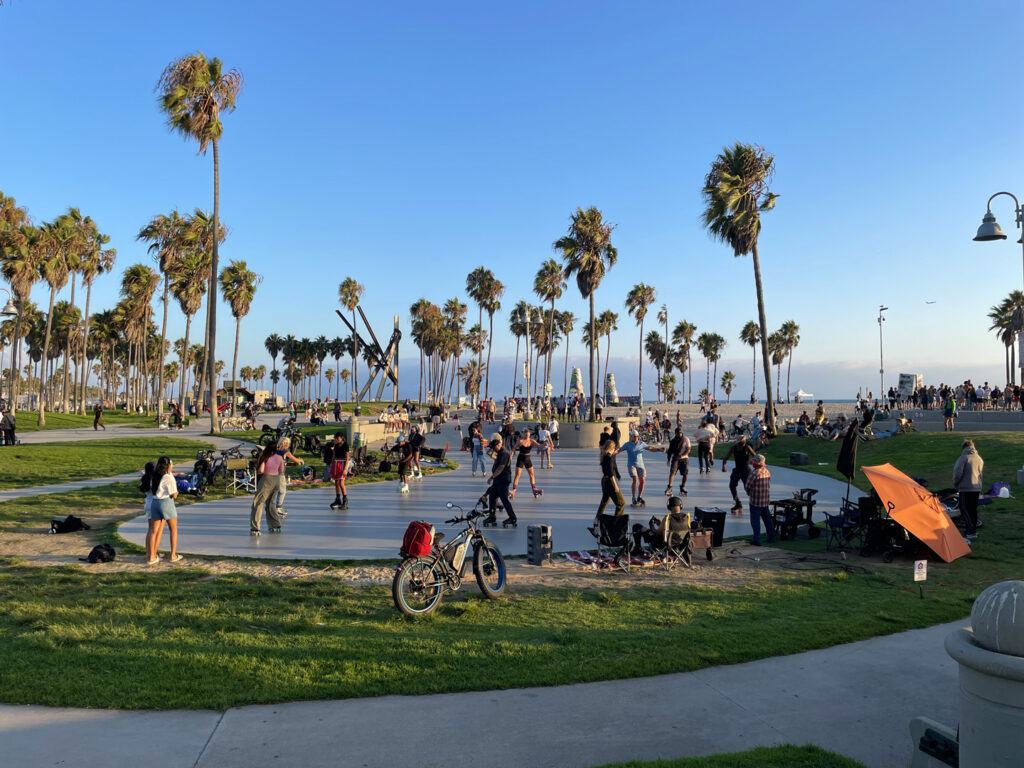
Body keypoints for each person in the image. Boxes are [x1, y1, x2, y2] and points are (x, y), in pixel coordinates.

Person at [146, 455, 183, 562]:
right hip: (166, 503)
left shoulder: (154, 476)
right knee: (173, 529)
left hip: (155, 502)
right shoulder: (169, 477)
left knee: (153, 531)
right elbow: (174, 495)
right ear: (168, 466)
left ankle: (152, 556)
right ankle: (173, 555)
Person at [619, 428, 665, 507]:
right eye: (634, 436)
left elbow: (650, 448)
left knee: (642, 480)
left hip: (640, 465)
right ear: (631, 437)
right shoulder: (627, 444)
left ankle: (639, 497)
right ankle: (633, 497)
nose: (636, 438)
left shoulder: (641, 443)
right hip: (631, 465)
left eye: (637, 436)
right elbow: (619, 450)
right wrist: (613, 453)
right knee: (635, 479)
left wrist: (658, 449)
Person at [250, 442, 284, 535]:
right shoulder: (280, 457)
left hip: (267, 479)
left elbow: (261, 470)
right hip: (277, 480)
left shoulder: (265, 456)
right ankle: (275, 524)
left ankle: (255, 528)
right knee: (271, 503)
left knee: (258, 502)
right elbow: (281, 471)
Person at [953, 439, 984, 539]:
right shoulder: (979, 458)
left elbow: (958, 473)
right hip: (976, 487)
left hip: (965, 488)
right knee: (973, 510)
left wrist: (956, 484)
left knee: (964, 509)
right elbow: (981, 474)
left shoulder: (963, 458)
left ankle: (970, 531)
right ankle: (973, 529)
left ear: (964, 448)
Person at [485, 434, 516, 527]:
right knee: (492, 497)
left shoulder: (505, 453)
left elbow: (501, 467)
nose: (493, 449)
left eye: (494, 447)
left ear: (498, 445)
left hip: (503, 479)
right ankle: (492, 516)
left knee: (504, 499)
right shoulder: (499, 453)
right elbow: (494, 458)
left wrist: (492, 477)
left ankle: (512, 518)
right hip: (498, 479)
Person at [744, 454, 775, 546]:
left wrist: (749, 493)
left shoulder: (754, 473)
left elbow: (747, 486)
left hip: (755, 502)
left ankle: (756, 539)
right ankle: (772, 537)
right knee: (767, 520)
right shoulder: (767, 471)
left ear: (756, 463)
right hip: (765, 501)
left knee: (755, 521)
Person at [721, 435, 757, 514]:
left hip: (746, 470)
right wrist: (723, 465)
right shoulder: (734, 448)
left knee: (747, 489)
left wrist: (751, 461)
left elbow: (755, 456)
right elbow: (726, 457)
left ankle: (757, 505)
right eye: (737, 443)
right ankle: (738, 503)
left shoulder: (747, 447)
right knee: (732, 486)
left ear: (743, 442)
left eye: (739, 443)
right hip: (737, 470)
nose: (738, 445)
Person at [272, 437, 304, 519]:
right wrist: (300, 460)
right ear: (286, 444)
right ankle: (278, 507)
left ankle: (273, 507)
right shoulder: (285, 452)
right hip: (280, 474)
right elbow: (295, 460)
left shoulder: (275, 450)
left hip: (272, 473)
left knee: (275, 490)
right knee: (282, 491)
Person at [595, 438, 625, 518]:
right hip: (610, 481)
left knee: (604, 501)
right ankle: (616, 523)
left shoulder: (604, 456)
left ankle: (597, 520)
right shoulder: (609, 458)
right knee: (621, 503)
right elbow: (611, 472)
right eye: (614, 448)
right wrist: (615, 485)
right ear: (611, 448)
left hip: (604, 480)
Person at [665, 427, 691, 496]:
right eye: (677, 433)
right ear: (675, 433)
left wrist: (682, 456)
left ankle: (682, 486)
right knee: (672, 472)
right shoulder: (673, 441)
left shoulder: (686, 439)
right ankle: (669, 487)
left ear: (681, 432)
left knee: (685, 474)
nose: (679, 434)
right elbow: (670, 451)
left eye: (680, 433)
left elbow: (688, 449)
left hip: (684, 458)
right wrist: (668, 459)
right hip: (675, 459)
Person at [328, 432, 350, 510]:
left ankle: (345, 500)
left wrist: (345, 469)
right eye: (336, 438)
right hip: (336, 464)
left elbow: (347, 458)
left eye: (338, 438)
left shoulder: (345, 445)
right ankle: (338, 499)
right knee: (336, 483)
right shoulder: (336, 446)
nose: (337, 439)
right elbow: (334, 455)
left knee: (341, 483)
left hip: (343, 464)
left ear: (341, 438)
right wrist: (331, 466)